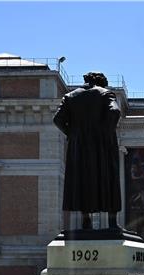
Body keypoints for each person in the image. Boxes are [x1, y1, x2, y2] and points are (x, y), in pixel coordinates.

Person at [53, 71, 122, 230]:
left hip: (78, 146)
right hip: (101, 145)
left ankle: (86, 220)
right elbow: (115, 111)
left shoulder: (70, 97)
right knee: (109, 178)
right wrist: (106, 132)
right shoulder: (105, 93)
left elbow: (57, 119)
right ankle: (112, 222)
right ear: (101, 82)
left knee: (82, 179)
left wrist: (72, 133)